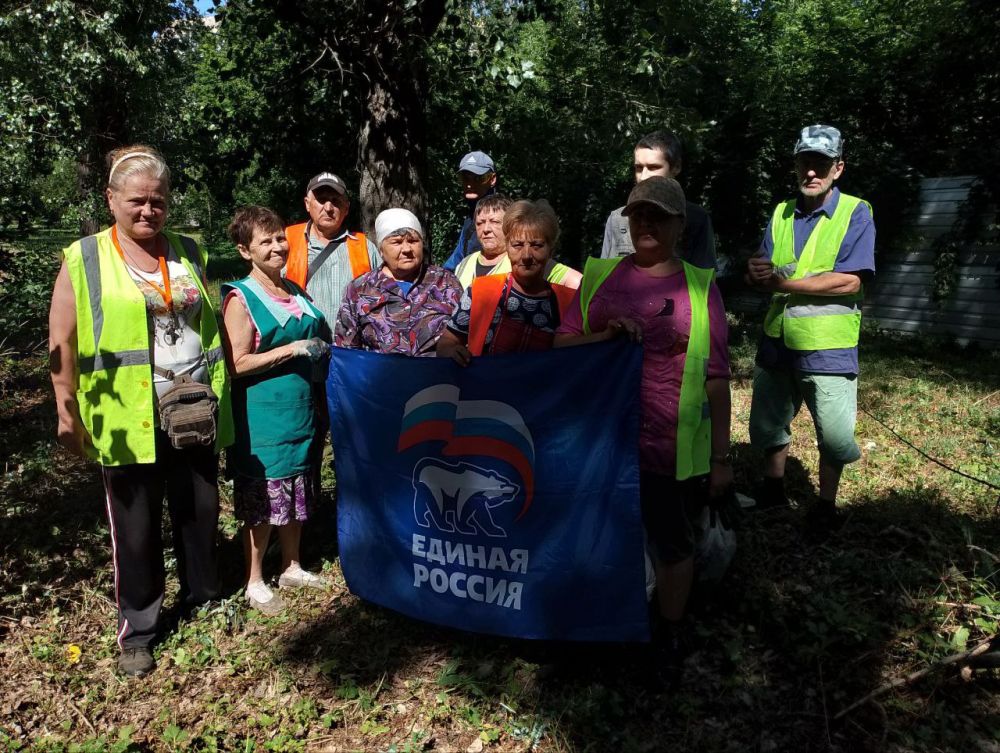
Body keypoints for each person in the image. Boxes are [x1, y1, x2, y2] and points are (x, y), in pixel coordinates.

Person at [48, 145, 234, 678]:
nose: (148, 210)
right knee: (135, 528)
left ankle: (205, 596)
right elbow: (62, 340)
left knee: (199, 511)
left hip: (193, 406)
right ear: (111, 200)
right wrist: (66, 410)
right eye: (136, 201)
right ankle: (140, 630)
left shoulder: (189, 250)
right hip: (127, 416)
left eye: (157, 200)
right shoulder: (84, 258)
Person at [555, 176, 732, 682]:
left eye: (658, 216)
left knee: (671, 540)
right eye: (638, 215)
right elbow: (557, 346)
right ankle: (607, 626)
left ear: (680, 224)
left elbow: (718, 379)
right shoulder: (599, 277)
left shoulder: (700, 286)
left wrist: (722, 459)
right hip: (601, 444)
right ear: (627, 222)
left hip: (667, 446)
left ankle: (668, 633)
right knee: (604, 536)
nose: (647, 224)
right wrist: (605, 335)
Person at [746, 125, 875, 529]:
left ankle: (825, 505)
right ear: (797, 166)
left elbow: (850, 280)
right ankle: (773, 490)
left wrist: (783, 284)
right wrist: (755, 270)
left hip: (828, 345)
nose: (812, 173)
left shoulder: (856, 211)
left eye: (821, 164)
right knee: (767, 423)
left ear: (838, 168)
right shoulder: (782, 211)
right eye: (806, 163)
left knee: (835, 435)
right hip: (778, 337)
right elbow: (765, 267)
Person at [221, 206, 331, 615]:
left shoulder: (297, 291)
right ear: (244, 250)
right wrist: (291, 349)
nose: (277, 247)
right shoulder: (241, 297)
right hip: (263, 415)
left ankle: (291, 565)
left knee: (298, 486)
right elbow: (236, 363)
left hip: (302, 409)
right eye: (264, 242)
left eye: (279, 238)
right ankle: (253, 579)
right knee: (263, 497)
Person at [437, 200, 579, 363]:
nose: (526, 255)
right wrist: (453, 351)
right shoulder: (480, 292)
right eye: (517, 245)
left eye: (537, 245)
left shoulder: (569, 302)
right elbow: (447, 343)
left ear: (551, 250)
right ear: (507, 248)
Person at [335, 208, 463, 355]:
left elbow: (468, 334)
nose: (407, 249)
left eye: (413, 241)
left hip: (437, 375)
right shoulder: (360, 290)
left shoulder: (446, 282)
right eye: (397, 242)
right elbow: (346, 351)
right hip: (382, 377)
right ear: (381, 250)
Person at [599, 130, 717, 270]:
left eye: (653, 167)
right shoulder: (617, 218)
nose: (643, 176)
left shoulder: (697, 218)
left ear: (676, 167)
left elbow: (705, 282)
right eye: (638, 168)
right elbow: (604, 276)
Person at [283, 172, 380, 323]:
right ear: (307, 204)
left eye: (336, 201)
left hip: (352, 344)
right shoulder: (285, 243)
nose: (328, 207)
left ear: (346, 208)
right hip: (303, 341)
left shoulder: (365, 247)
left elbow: (384, 297)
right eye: (321, 200)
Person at [453, 194, 583, 290]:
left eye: (494, 222)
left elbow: (578, 282)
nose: (486, 229)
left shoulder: (523, 260)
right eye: (480, 223)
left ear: (510, 226)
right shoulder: (464, 264)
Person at [441, 150, 498, 272]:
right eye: (465, 178)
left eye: (478, 178)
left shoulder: (505, 213)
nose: (469, 184)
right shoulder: (471, 217)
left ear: (492, 179)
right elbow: (458, 256)